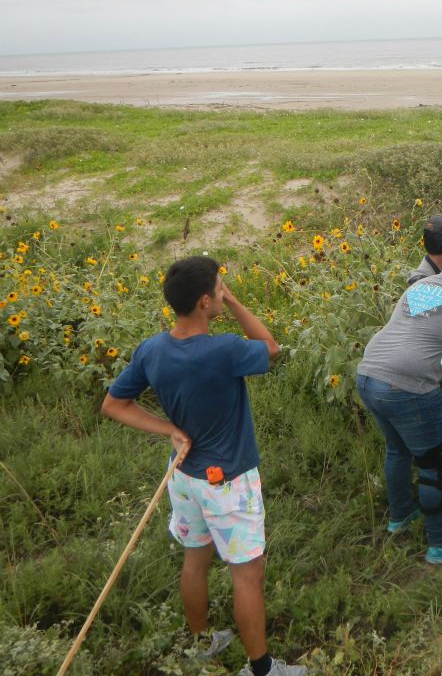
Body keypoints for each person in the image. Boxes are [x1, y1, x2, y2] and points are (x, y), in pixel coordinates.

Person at [101, 256, 305, 676]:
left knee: (195, 561)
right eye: (219, 289)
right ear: (204, 302)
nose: (223, 292)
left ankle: (201, 642)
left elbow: (113, 404)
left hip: (184, 476)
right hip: (228, 481)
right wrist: (236, 304)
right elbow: (271, 348)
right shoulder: (223, 350)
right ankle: (262, 669)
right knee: (247, 575)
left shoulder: (153, 349)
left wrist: (168, 429)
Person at [357, 236, 442, 564]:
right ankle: (438, 543)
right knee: (434, 464)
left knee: (397, 450)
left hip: (369, 372)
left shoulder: (418, 286)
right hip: (410, 385)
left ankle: (400, 515)